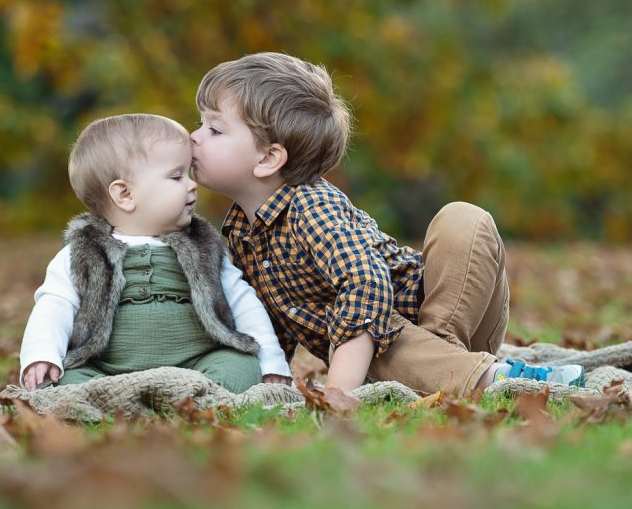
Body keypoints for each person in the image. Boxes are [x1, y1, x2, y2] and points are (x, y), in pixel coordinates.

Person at [189, 52, 584, 395]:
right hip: (383, 353)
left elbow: (365, 283)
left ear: (268, 159)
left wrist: (339, 391)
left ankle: (448, 358)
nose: (195, 137)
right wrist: (274, 376)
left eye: (214, 129)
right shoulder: (241, 230)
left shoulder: (310, 206)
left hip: (448, 317)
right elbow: (273, 323)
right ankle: (454, 368)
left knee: (464, 218)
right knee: (381, 344)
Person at [19, 113, 291, 393]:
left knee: (241, 365)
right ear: (125, 195)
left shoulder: (203, 245)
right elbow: (54, 306)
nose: (192, 184)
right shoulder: (83, 251)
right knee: (67, 379)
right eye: (176, 176)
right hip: (108, 369)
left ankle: (197, 396)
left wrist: (271, 362)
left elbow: (243, 301)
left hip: (197, 363)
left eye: (187, 173)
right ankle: (115, 397)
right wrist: (40, 355)